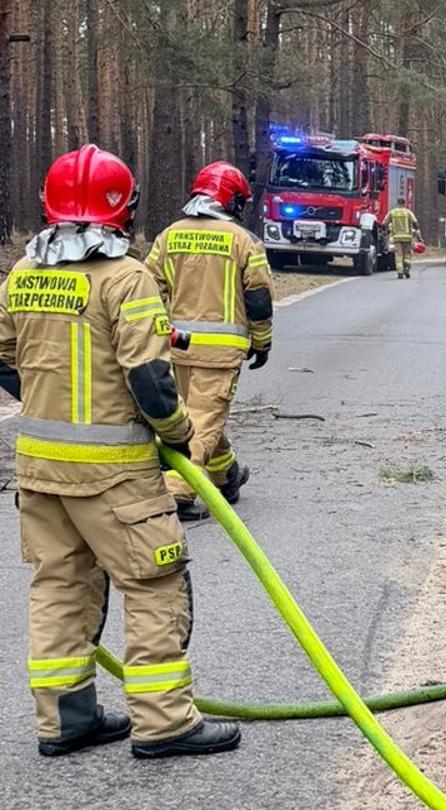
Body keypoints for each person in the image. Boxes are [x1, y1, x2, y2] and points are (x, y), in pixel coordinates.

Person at [3, 146, 241, 758]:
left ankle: (66, 720)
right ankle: (164, 723)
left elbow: (3, 356)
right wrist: (179, 435)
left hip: (40, 469)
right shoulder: (126, 277)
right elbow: (151, 381)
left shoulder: (24, 276)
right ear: (124, 208)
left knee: (61, 584)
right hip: (116, 477)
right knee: (154, 582)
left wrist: (41, 399)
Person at [143, 161, 274, 522]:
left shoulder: (168, 237)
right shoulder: (245, 242)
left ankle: (225, 475)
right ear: (232, 201)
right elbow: (258, 299)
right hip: (219, 353)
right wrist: (261, 342)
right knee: (203, 419)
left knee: (193, 416)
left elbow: (147, 288)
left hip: (174, 346)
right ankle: (178, 492)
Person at [386, 205, 421, 279]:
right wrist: (419, 237)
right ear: (404, 203)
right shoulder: (408, 212)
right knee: (407, 255)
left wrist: (387, 232)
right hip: (407, 238)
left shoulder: (392, 212)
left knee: (399, 255)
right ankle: (407, 269)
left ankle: (400, 272)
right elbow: (415, 223)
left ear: (397, 203)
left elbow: (384, 223)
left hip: (397, 238)